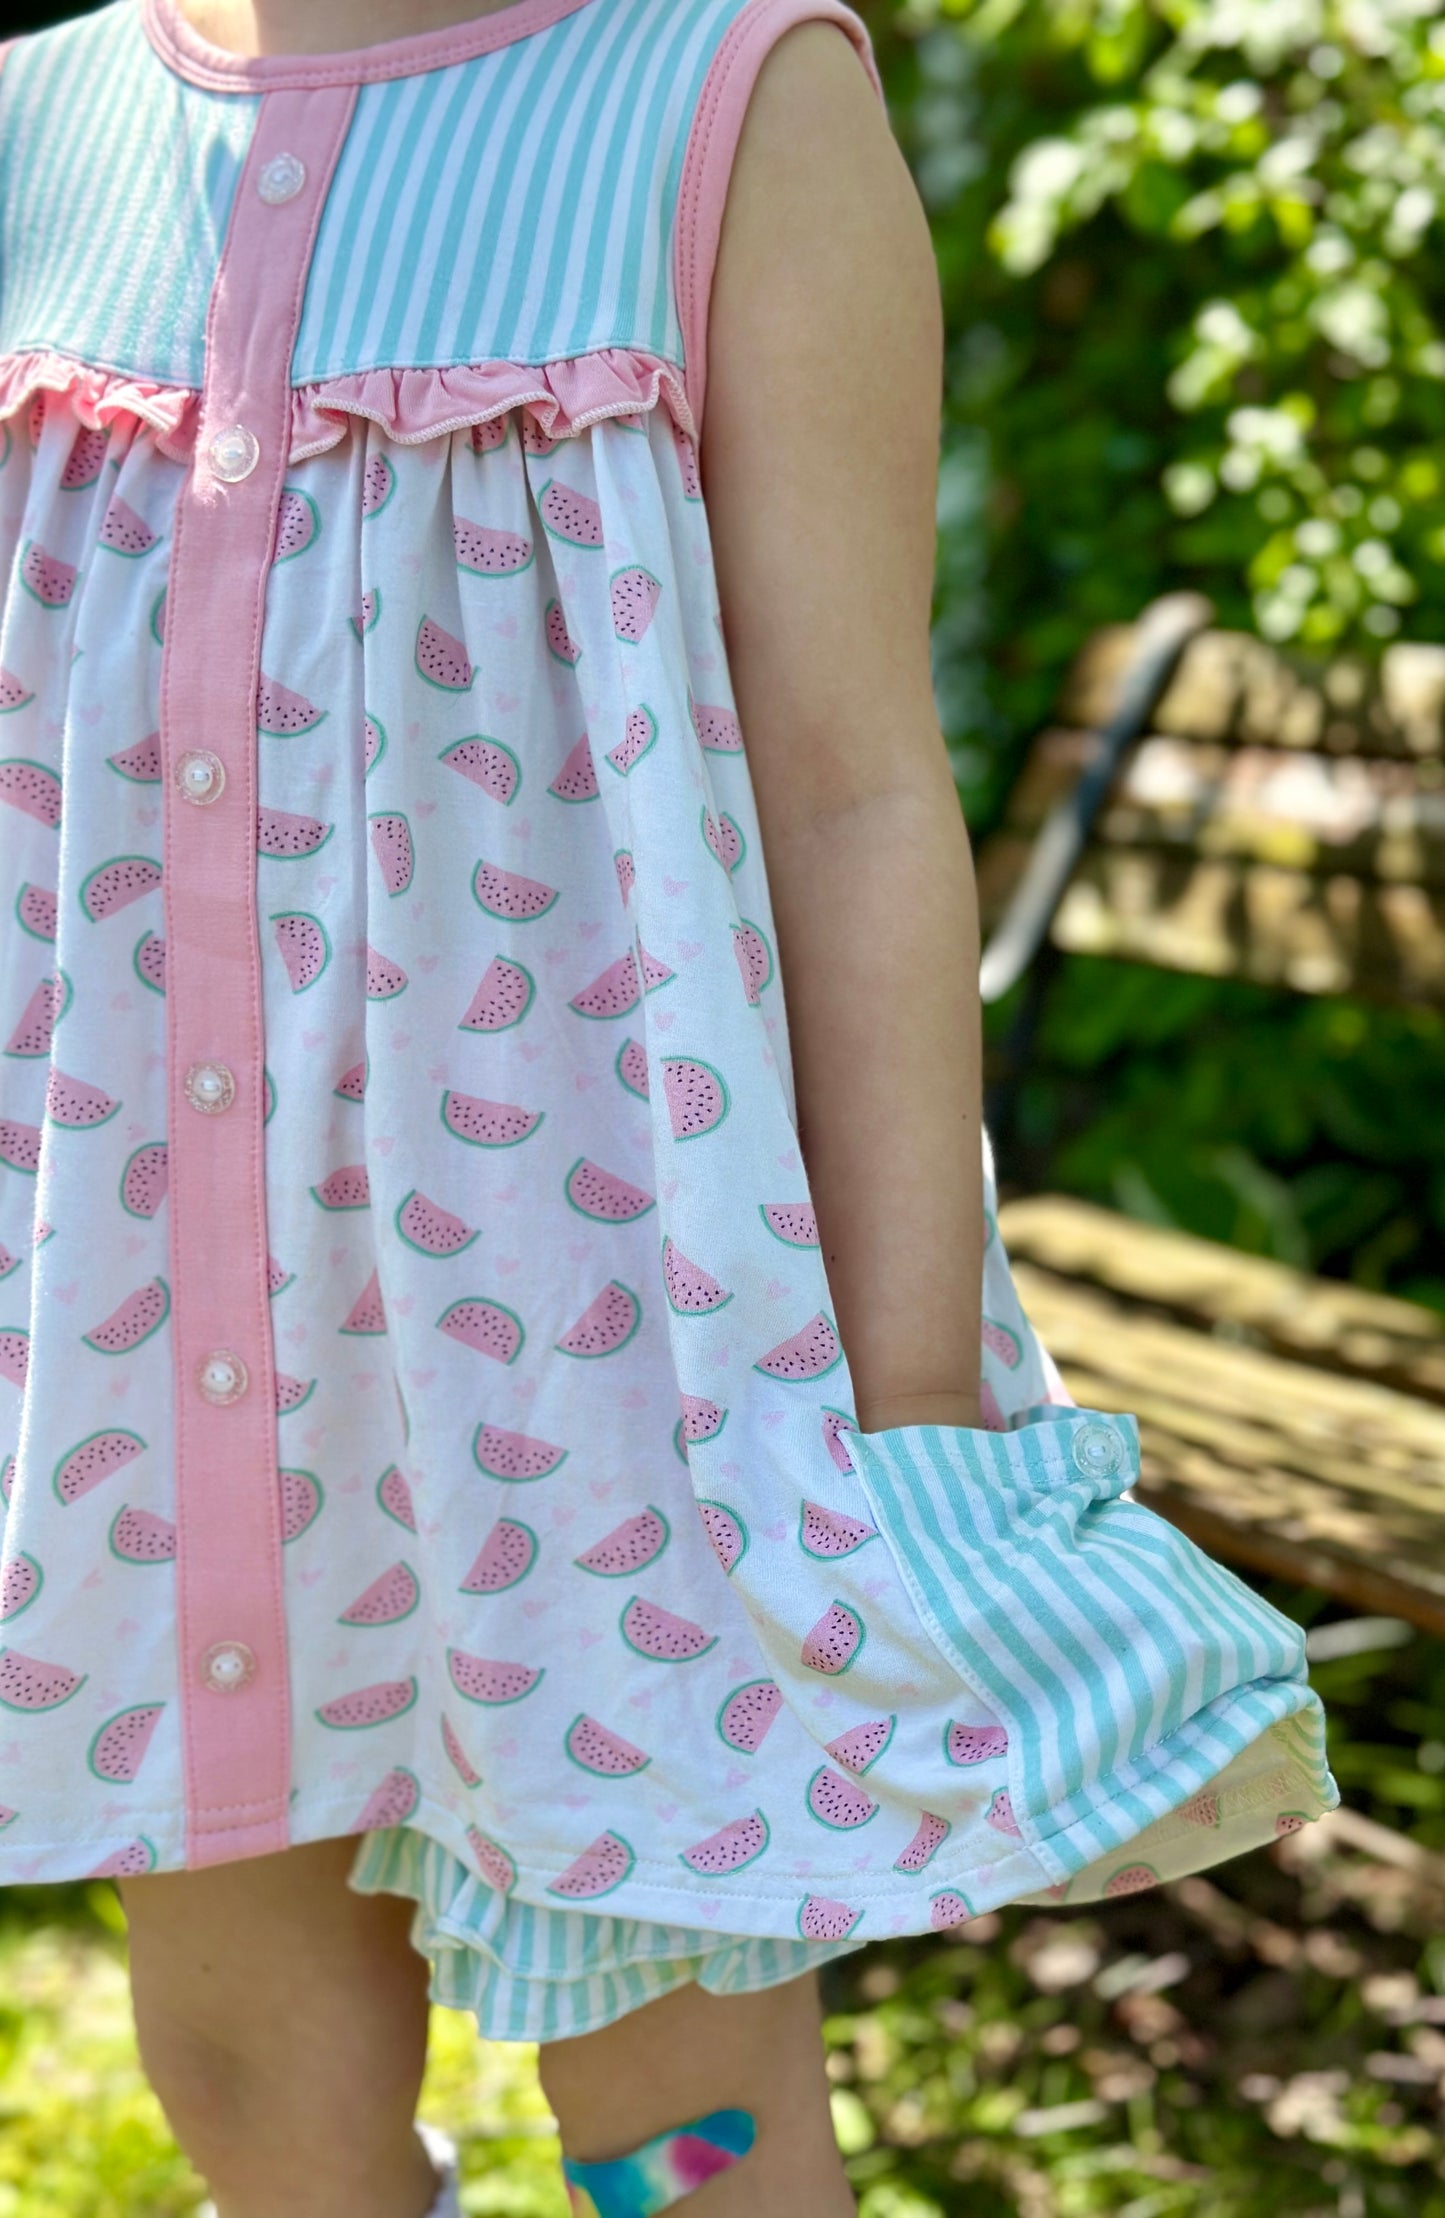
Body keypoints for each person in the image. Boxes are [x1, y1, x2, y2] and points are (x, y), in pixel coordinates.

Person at [0, 1, 1336, 2211]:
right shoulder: (44, 127)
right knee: (252, 2077)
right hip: (175, 1351)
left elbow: (852, 791)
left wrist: (902, 1423)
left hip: (614, 1352)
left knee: (687, 2140)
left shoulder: (716, 103)